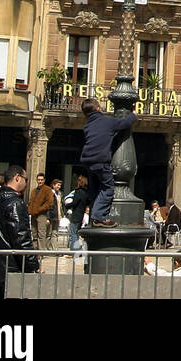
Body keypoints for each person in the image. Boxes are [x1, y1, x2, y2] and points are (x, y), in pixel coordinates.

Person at [0, 165, 41, 299]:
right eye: (26, 179)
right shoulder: (15, 204)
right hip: (11, 269)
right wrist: (33, 265)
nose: (26, 183)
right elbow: (21, 237)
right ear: (17, 178)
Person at [79, 97, 134, 226]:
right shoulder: (106, 122)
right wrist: (133, 115)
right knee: (108, 189)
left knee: (95, 188)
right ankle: (99, 217)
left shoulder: (87, 126)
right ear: (98, 108)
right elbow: (124, 123)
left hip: (87, 161)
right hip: (100, 160)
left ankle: (94, 211)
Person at [27, 173, 56, 250]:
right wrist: (30, 210)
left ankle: (41, 252)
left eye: (41, 180)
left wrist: (39, 209)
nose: (40, 181)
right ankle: (35, 250)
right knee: (34, 233)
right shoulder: (34, 190)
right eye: (39, 180)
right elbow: (30, 202)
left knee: (41, 234)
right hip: (33, 214)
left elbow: (49, 203)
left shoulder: (47, 190)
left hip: (42, 214)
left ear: (44, 180)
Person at [65, 173, 89, 253]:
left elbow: (75, 202)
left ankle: (74, 251)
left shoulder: (78, 192)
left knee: (73, 234)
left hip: (76, 215)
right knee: (76, 233)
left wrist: (67, 205)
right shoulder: (86, 192)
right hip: (81, 215)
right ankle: (76, 250)